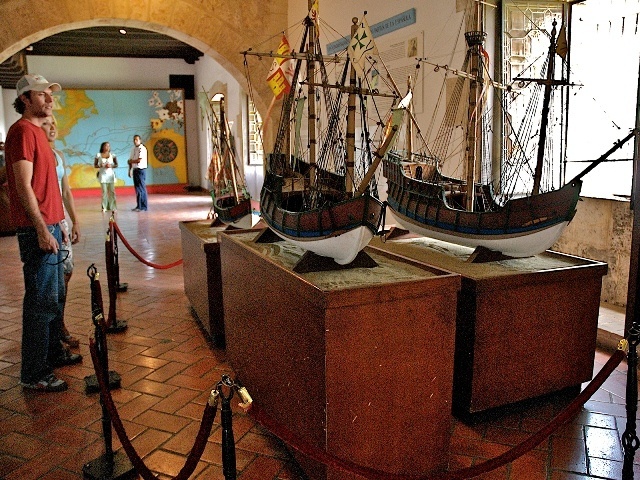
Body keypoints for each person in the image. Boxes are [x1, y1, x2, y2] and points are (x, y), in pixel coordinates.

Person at [5, 74, 81, 393]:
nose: (50, 100)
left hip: (52, 226)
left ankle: (50, 357)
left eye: (51, 95)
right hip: (38, 228)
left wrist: (59, 227)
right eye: (42, 95)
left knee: (51, 298)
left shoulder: (37, 133)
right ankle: (34, 372)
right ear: (25, 99)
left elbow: (51, 189)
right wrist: (40, 228)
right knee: (39, 301)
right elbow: (22, 185)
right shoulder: (22, 131)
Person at [41, 115, 81, 349]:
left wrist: (74, 221)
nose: (53, 128)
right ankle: (54, 331)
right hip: (48, 220)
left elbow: (66, 191)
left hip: (62, 218)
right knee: (52, 278)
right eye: (47, 124)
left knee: (66, 272)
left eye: (55, 123)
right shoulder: (38, 155)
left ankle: (60, 324)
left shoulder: (59, 156)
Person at [94, 141, 118, 212]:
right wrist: (100, 165)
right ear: (102, 147)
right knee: (104, 191)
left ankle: (113, 206)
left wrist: (111, 165)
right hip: (103, 175)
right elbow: (95, 165)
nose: (107, 147)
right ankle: (104, 207)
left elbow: (116, 164)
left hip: (110, 175)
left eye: (108, 146)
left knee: (112, 191)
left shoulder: (112, 155)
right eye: (106, 146)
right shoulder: (98, 155)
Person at [127, 134, 148, 211]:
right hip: (135, 169)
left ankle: (144, 206)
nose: (135, 141)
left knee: (141, 188)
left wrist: (131, 161)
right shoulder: (133, 149)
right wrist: (130, 170)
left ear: (140, 140)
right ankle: (138, 205)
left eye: (137, 140)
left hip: (141, 170)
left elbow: (139, 160)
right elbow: (130, 160)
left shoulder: (142, 148)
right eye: (134, 140)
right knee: (137, 189)